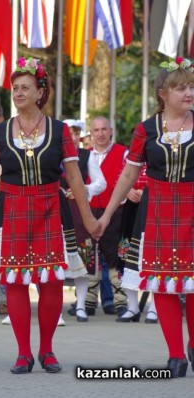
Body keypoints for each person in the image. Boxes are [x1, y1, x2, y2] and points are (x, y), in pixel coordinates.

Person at [0, 57, 98, 374]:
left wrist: (91, 219)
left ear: (41, 92)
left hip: (51, 208)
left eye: (25, 87)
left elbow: (75, 178)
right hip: (12, 208)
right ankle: (24, 353)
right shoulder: (0, 132)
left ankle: (48, 351)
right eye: (14, 88)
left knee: (51, 281)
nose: (18, 92)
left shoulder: (59, 130)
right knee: (14, 281)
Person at [94, 57, 194, 378]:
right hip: (160, 210)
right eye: (180, 88)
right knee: (162, 282)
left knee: (193, 284)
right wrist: (108, 214)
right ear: (163, 93)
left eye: (191, 87)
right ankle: (176, 355)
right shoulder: (146, 129)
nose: (188, 93)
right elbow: (127, 175)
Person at [61, 119, 106, 322]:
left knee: (82, 257)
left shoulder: (87, 155)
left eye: (75, 132)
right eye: (68, 132)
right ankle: (55, 307)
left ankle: (80, 305)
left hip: (79, 211)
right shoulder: (53, 155)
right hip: (56, 210)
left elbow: (101, 183)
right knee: (55, 257)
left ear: (80, 135)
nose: (71, 136)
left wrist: (84, 189)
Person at [86, 116, 128, 317]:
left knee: (114, 255)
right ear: (91, 133)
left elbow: (130, 177)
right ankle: (88, 301)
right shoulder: (84, 156)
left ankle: (120, 301)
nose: (101, 134)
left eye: (104, 129)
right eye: (96, 130)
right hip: (90, 210)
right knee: (90, 254)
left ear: (111, 131)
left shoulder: (123, 153)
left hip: (116, 210)